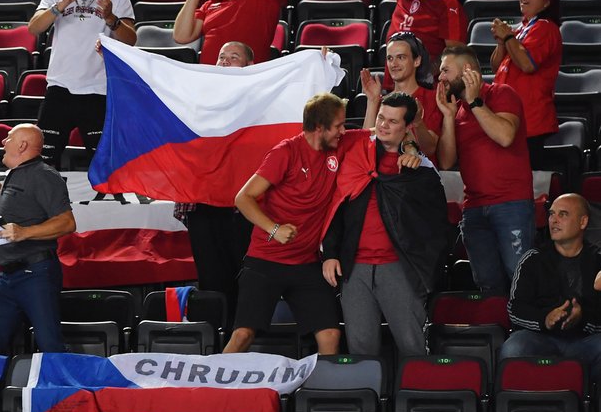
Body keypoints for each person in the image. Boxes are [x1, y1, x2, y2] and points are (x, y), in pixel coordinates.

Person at [322, 93, 449, 357]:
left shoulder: (421, 172)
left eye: (392, 121)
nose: (383, 125)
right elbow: (338, 207)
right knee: (360, 351)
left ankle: (416, 396)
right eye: (381, 117)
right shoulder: (356, 157)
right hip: (355, 269)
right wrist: (331, 254)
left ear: (408, 128)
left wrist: (421, 272)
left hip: (400, 269)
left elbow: (436, 230)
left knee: (412, 347)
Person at [223, 93, 348, 355]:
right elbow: (242, 198)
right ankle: (215, 392)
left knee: (330, 334)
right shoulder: (285, 152)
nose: (343, 131)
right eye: (338, 126)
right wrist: (274, 229)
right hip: (265, 260)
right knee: (243, 334)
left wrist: (372, 101)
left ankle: (322, 395)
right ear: (319, 128)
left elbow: (375, 134)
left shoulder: (338, 145)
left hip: (306, 263)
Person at [27, 0, 137, 168]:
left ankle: (111, 205)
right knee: (43, 162)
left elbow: (130, 40)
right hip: (59, 87)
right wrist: (62, 5)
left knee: (106, 163)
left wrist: (111, 19)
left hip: (98, 89)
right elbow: (34, 28)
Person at [436, 44, 535, 294]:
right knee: (487, 284)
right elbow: (446, 162)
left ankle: (527, 333)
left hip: (511, 204)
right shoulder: (456, 111)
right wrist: (448, 117)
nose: (440, 77)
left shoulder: (501, 93)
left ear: (467, 70)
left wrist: (474, 101)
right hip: (474, 210)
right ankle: (500, 332)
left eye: (446, 70)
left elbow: (504, 136)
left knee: (520, 279)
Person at [0, 124, 76, 354]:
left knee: (50, 344)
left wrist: (24, 232)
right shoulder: (17, 174)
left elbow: (67, 222)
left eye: (8, 138)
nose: (3, 143)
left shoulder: (43, 175)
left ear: (23, 145)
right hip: (8, 277)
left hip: (35, 273)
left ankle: (66, 391)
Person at [174, 41, 255, 323]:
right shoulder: (198, 101)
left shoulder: (261, 101)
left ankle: (243, 339)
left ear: (249, 67)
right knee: (211, 281)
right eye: (221, 57)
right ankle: (217, 344)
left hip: (243, 206)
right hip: (202, 205)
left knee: (245, 279)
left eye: (234, 57)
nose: (224, 61)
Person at [502, 193, 601, 382]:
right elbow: (515, 309)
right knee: (514, 347)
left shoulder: (598, 261)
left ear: (583, 222)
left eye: (563, 214)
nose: (554, 220)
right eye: (551, 214)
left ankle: (592, 409)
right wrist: (545, 319)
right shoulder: (533, 259)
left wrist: (582, 317)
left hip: (585, 341)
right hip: (539, 338)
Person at [491, 0, 562, 166]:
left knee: (525, 179)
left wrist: (508, 38)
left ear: (547, 2)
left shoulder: (545, 28)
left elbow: (528, 65)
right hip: (507, 115)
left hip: (529, 119)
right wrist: (501, 42)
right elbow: (496, 66)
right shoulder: (521, 29)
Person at [360, 32, 441, 157]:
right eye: (390, 58)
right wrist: (372, 101)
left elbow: (430, 149)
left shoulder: (433, 98)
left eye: (401, 57)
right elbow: (366, 146)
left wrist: (418, 124)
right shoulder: (381, 101)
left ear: (417, 61)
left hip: (419, 172)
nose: (394, 64)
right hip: (383, 173)